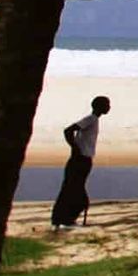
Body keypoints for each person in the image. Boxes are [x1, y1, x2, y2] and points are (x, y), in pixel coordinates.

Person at [51, 95, 111, 229]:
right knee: (74, 190)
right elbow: (68, 130)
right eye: (107, 105)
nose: (109, 107)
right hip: (80, 160)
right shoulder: (90, 119)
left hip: (84, 159)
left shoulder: (94, 120)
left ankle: (63, 219)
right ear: (99, 106)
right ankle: (64, 219)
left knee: (72, 189)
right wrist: (75, 148)